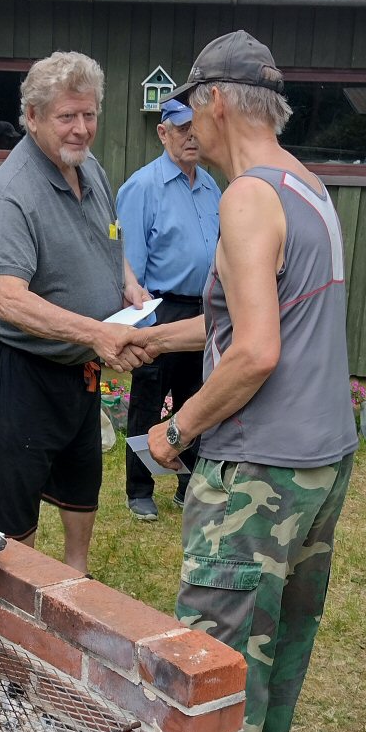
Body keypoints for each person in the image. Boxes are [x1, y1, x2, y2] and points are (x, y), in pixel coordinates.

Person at [141, 31, 359, 732]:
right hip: (324, 458)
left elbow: (258, 351)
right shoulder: (306, 187)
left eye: (191, 103)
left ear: (218, 101)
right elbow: (261, 310)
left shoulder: (244, 199)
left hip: (260, 469)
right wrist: (157, 342)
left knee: (222, 635)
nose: (188, 119)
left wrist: (178, 428)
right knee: (286, 625)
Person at [0, 50, 150, 574]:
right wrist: (96, 332)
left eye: (88, 114)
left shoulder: (90, 168)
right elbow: (10, 298)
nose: (81, 129)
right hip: (21, 364)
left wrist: (128, 283)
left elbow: (111, 240)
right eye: (66, 117)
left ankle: (76, 577)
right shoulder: (11, 193)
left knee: (80, 471)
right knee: (13, 485)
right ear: (33, 118)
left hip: (78, 363)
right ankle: (15, 587)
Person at [115, 97, 220, 521]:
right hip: (159, 307)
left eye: (196, 127)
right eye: (181, 129)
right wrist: (140, 322)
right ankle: (140, 489)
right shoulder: (143, 187)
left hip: (204, 309)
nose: (191, 136)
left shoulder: (212, 186)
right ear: (163, 133)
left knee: (198, 399)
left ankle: (187, 483)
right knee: (148, 399)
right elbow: (129, 268)